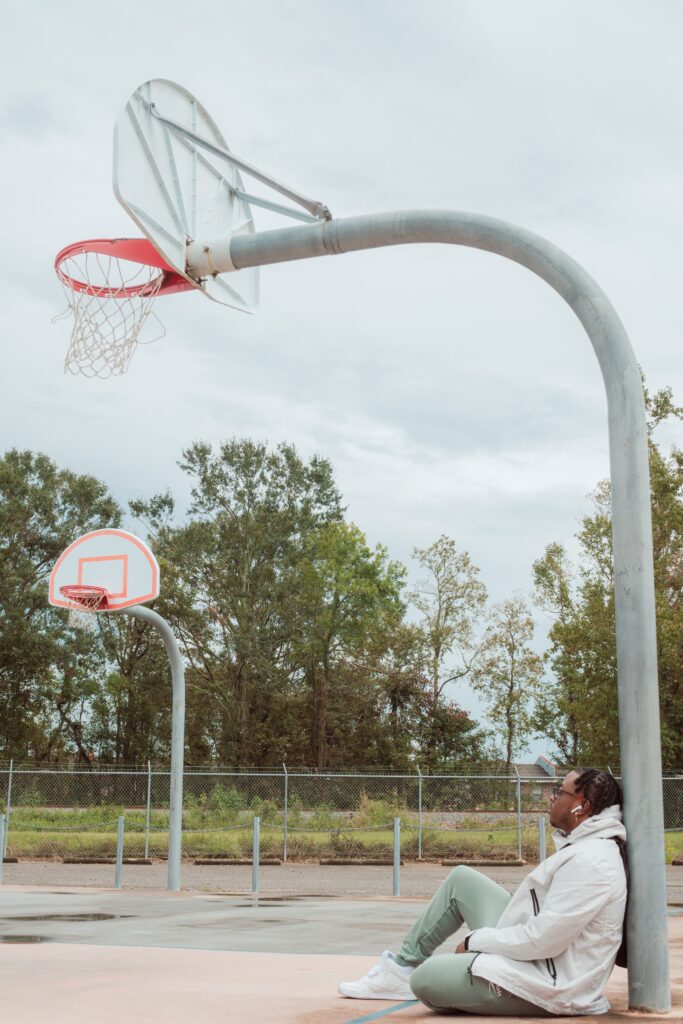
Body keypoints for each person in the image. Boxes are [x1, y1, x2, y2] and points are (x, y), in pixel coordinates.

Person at [339, 768, 626, 1016]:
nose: (552, 797)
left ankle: (429, 974)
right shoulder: (585, 847)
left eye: (559, 792)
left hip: (550, 985)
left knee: (426, 979)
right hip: (539, 958)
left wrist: (477, 941)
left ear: (582, 807)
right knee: (462, 879)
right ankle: (400, 969)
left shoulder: (592, 862)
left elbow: (543, 941)